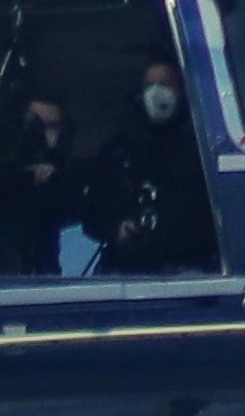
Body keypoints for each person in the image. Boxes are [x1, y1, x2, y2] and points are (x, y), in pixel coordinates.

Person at [80, 58, 215, 274]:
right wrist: (117, 228)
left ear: (183, 90)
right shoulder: (119, 150)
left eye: (166, 84)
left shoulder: (203, 148)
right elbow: (93, 212)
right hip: (127, 272)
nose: (156, 92)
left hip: (188, 273)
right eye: (149, 85)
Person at [0, 96, 74, 278]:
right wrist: (24, 178)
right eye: (35, 124)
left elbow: (73, 209)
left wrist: (51, 180)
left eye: (51, 125)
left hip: (45, 273)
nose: (42, 132)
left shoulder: (61, 167)